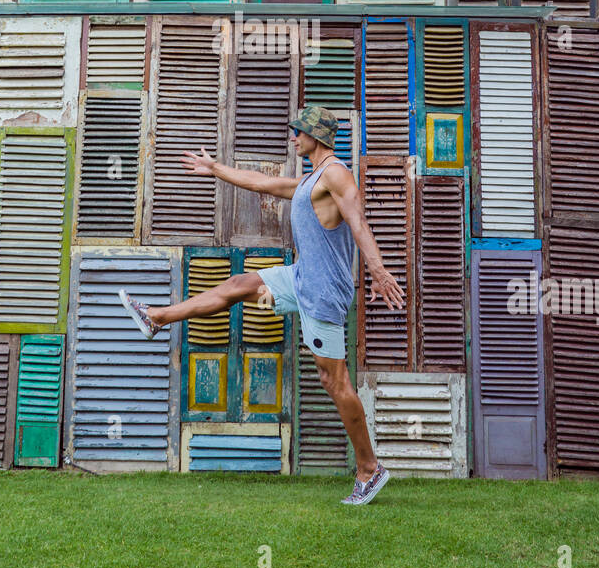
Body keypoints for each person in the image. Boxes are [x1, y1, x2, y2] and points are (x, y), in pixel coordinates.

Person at [119, 105, 405, 505]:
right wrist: (216, 169)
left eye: (299, 133)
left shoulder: (336, 173)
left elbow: (358, 221)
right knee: (239, 283)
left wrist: (377, 270)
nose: (293, 138)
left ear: (316, 137)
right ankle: (156, 318)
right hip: (301, 278)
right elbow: (262, 184)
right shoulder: (310, 180)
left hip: (323, 292)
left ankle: (369, 469)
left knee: (334, 382)